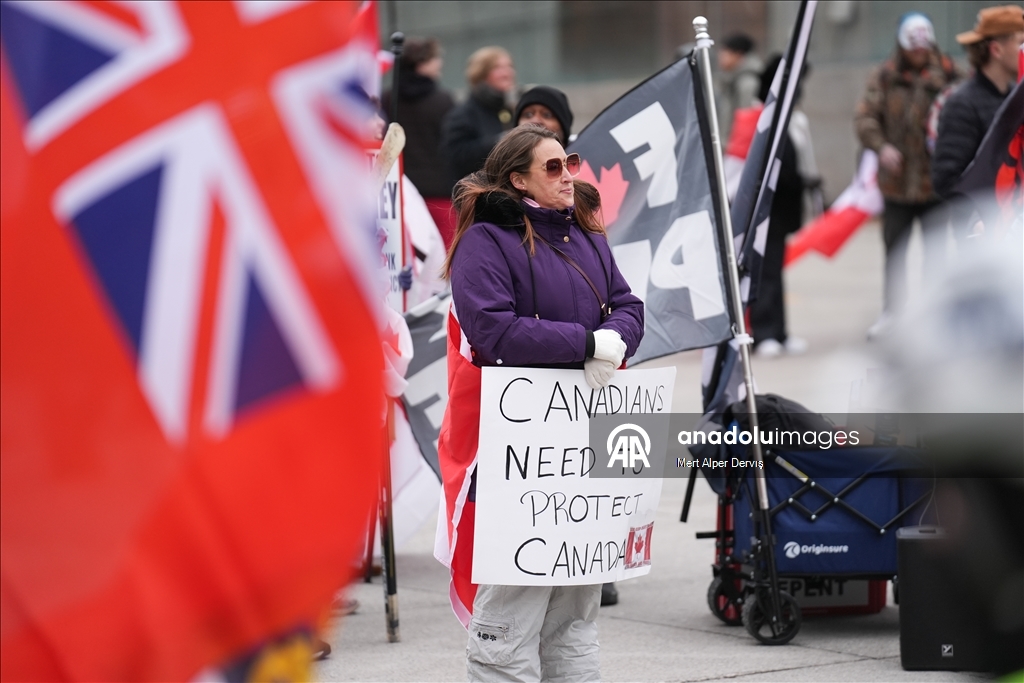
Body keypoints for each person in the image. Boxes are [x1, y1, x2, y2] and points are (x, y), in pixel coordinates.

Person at [442, 126, 644, 681]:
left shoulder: (586, 232)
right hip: (521, 452)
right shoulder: (486, 240)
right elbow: (494, 332)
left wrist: (616, 340)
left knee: (576, 617)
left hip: (581, 446)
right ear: (518, 178)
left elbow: (627, 302)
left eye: (569, 162)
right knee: (511, 610)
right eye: (552, 167)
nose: (568, 175)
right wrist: (585, 343)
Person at [854, 12, 959, 339]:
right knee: (895, 253)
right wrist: (881, 146)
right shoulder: (884, 77)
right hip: (897, 185)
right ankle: (893, 313)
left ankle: (934, 316)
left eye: (923, 47)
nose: (919, 53)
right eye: (913, 47)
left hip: (935, 184)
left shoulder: (950, 74)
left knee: (936, 254)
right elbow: (866, 118)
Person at [932, 5, 1024, 216]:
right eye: (1020, 42)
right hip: (981, 232)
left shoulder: (1015, 97)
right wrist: (981, 218)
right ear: (996, 50)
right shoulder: (962, 103)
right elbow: (946, 179)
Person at [751, 56, 811, 358]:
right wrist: (799, 181)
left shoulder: (787, 118)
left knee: (776, 271)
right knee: (765, 273)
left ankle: (779, 331)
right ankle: (763, 334)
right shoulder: (762, 119)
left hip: (781, 209)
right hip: (764, 211)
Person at [382, 37, 458, 246]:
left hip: (402, 193)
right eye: (435, 58)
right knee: (446, 261)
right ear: (421, 62)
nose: (439, 63)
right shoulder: (443, 100)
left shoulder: (387, 100)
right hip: (441, 193)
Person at [440, 46, 516, 194]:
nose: (508, 73)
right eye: (498, 68)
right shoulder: (462, 114)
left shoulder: (508, 109)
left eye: (510, 66)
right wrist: (502, 141)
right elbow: (455, 157)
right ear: (481, 74)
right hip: (476, 197)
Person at [716, 33, 762, 143]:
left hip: (739, 152)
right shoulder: (733, 79)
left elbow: (747, 122)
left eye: (724, 52)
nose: (720, 56)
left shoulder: (748, 83)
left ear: (738, 54)